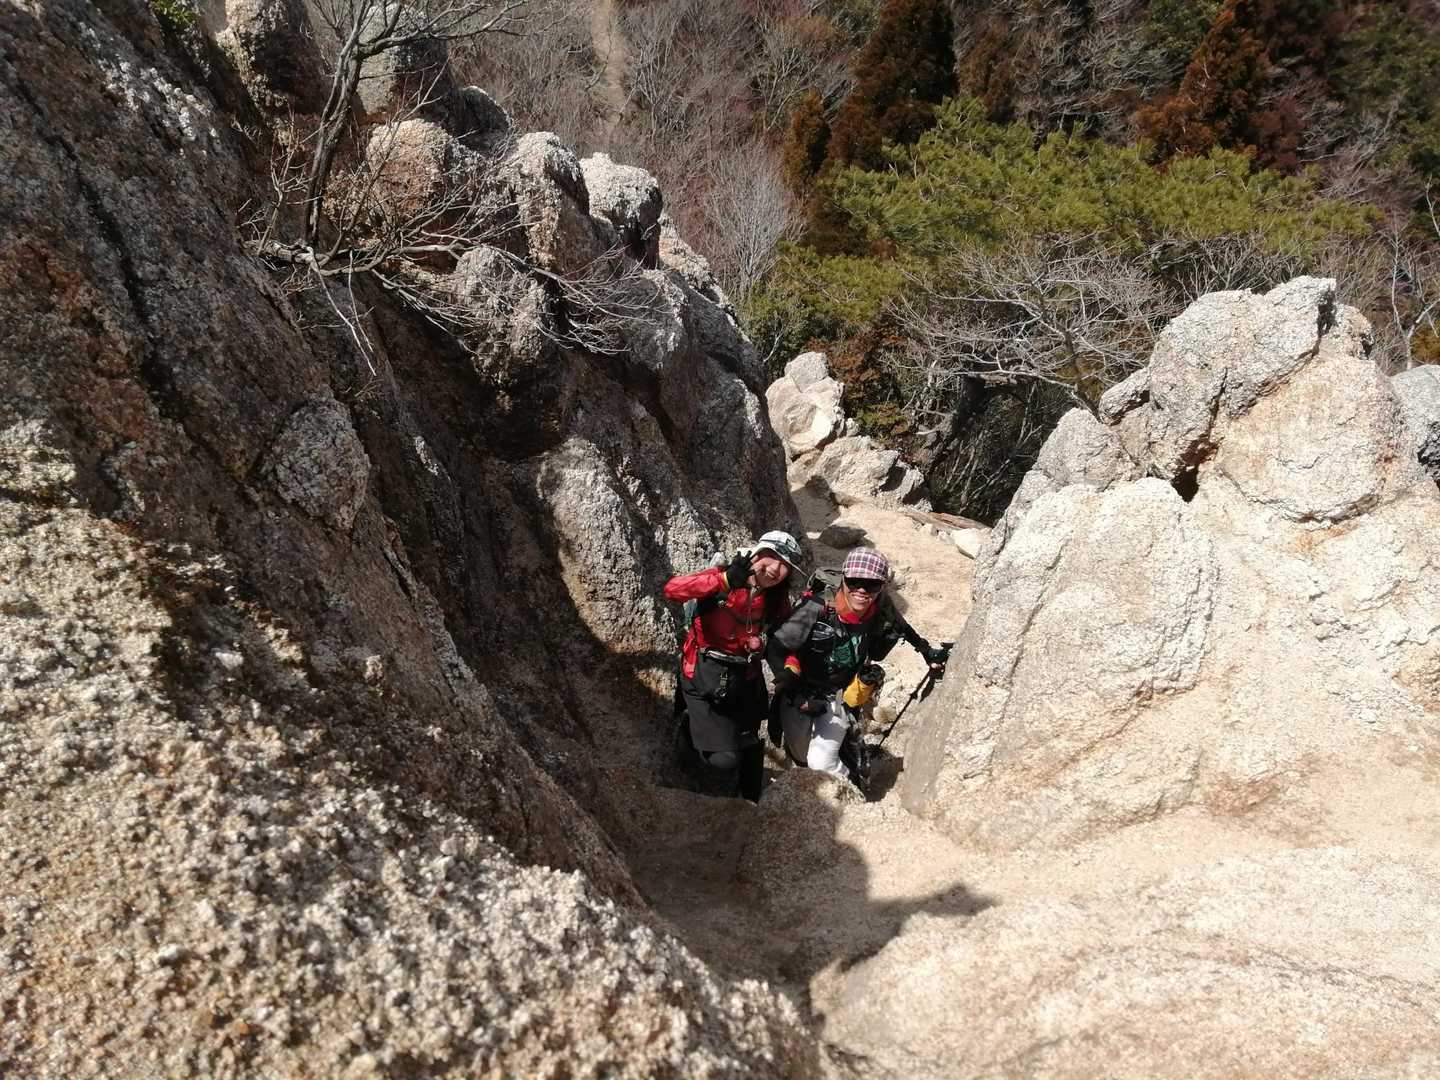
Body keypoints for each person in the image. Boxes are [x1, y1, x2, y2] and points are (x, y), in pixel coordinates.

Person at [767, 547, 947, 783]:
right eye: (854, 581)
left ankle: (850, 787)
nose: (862, 590)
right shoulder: (817, 607)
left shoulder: (880, 604)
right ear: (844, 578)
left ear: (881, 586)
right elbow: (776, 647)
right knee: (800, 756)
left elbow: (901, 626)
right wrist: (793, 691)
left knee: (820, 763)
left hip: (838, 695)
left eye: (872, 584)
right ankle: (843, 752)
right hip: (800, 689)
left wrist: (927, 652)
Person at [664, 530, 804, 800]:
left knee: (749, 741)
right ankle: (689, 733)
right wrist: (725, 580)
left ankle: (751, 801)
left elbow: (788, 639)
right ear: (756, 553)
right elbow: (673, 589)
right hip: (703, 673)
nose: (775, 569)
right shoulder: (724, 576)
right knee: (724, 760)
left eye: (785, 565)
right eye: (772, 557)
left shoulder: (776, 598)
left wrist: (790, 667)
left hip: (744, 675)